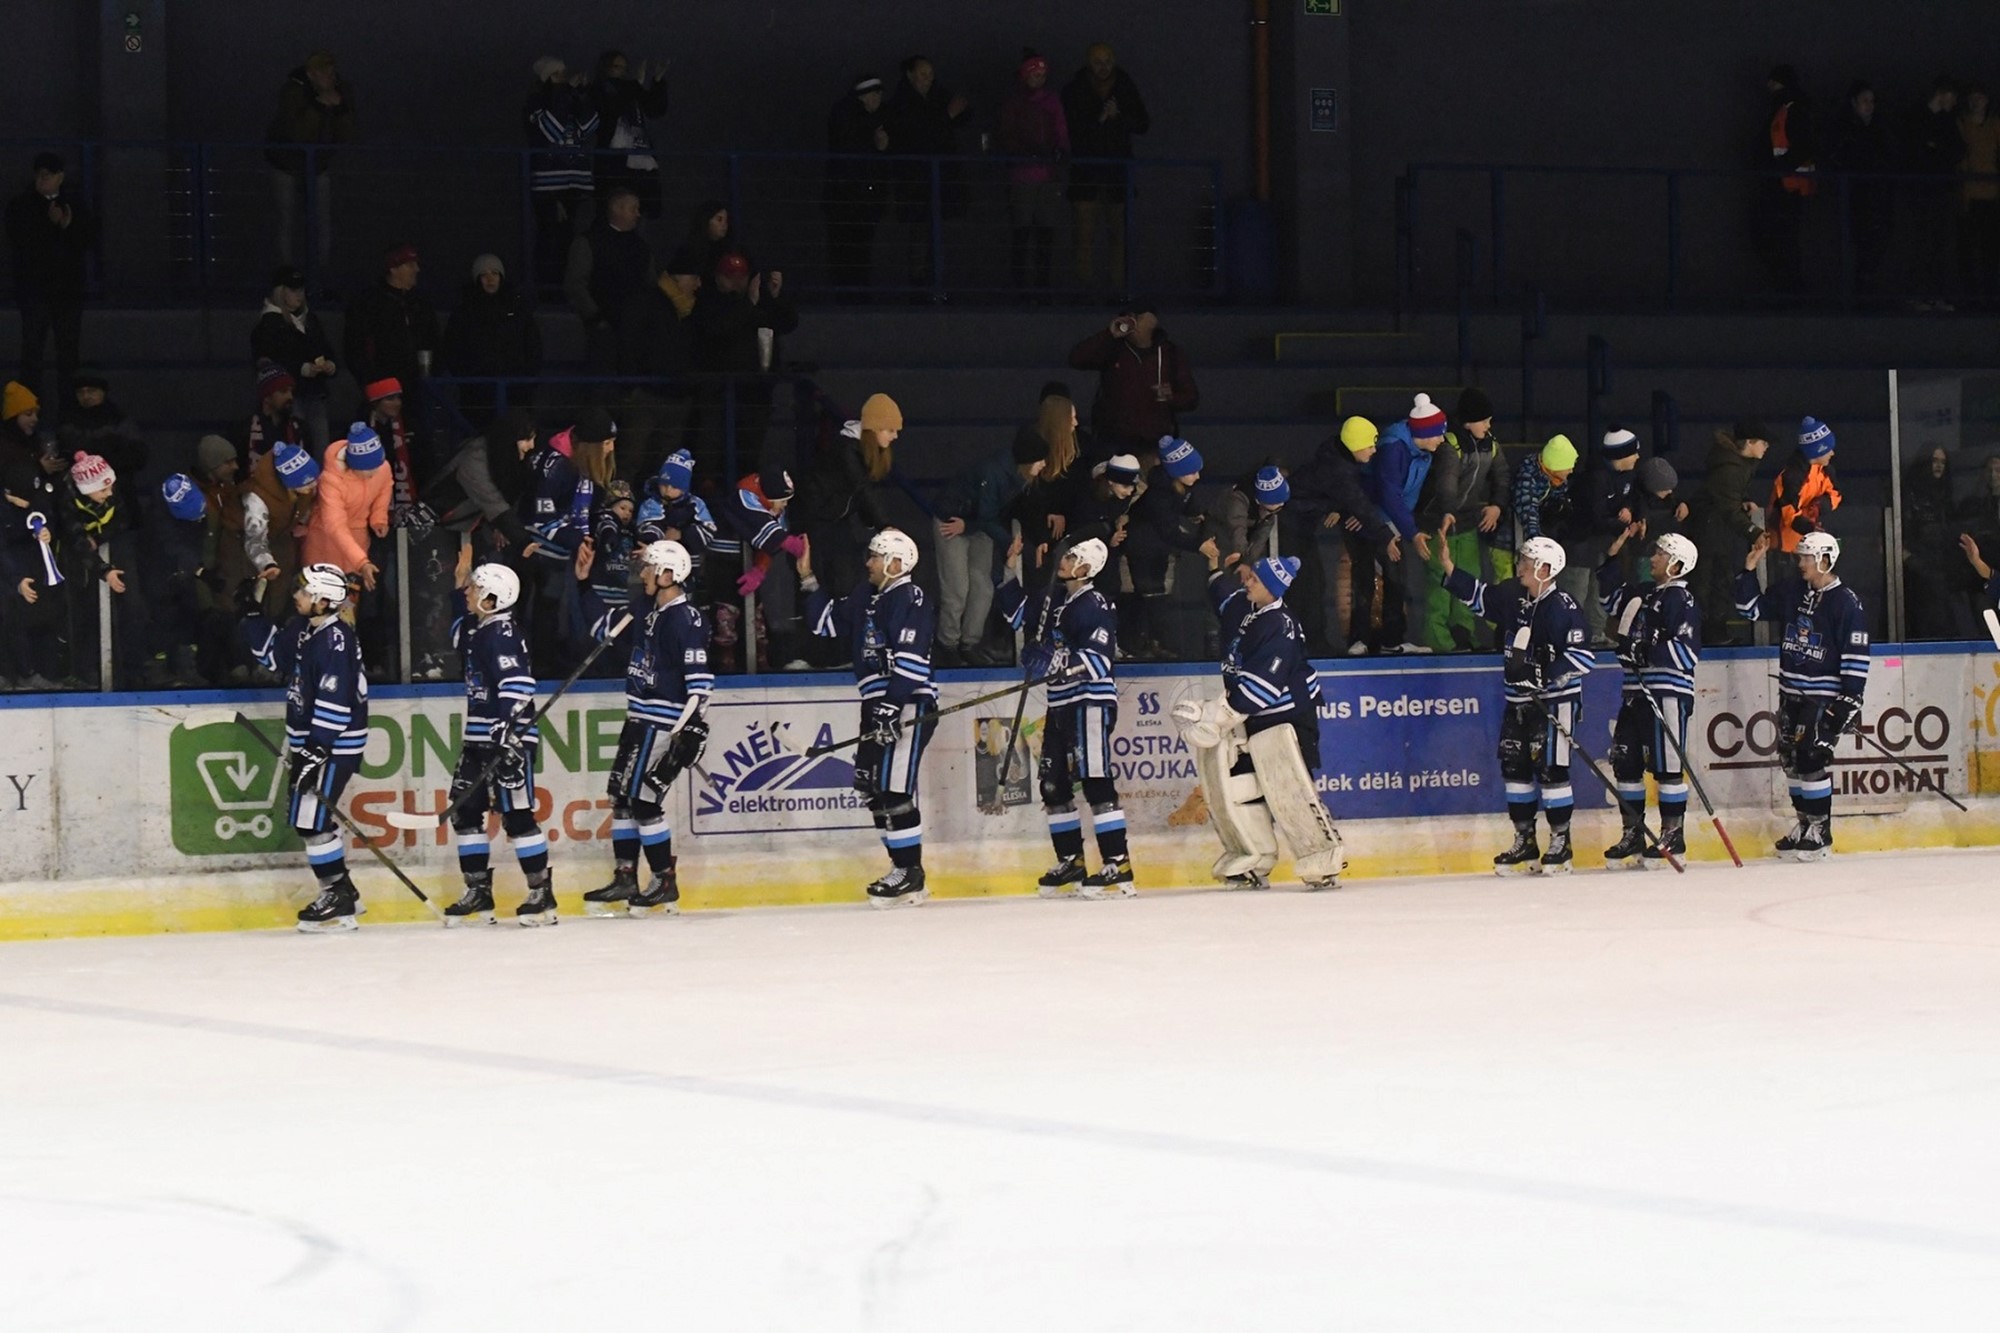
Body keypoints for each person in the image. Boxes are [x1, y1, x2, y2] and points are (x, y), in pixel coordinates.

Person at [1174, 548, 1343, 888]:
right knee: (1238, 789)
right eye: (1249, 577)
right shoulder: (1244, 606)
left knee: (1289, 786)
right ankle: (1253, 858)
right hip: (1250, 716)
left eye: (1254, 579)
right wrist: (1216, 568)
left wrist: (1216, 715)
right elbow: (1224, 596)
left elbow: (1261, 688)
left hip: (1288, 716)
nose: (1247, 582)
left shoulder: (1280, 627)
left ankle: (1322, 859)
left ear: (1273, 589)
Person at [1439, 534, 1595, 875]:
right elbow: (1481, 598)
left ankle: (1561, 841)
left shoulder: (1563, 606)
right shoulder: (1514, 595)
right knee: (1515, 771)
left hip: (1554, 703)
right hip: (1517, 701)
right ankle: (1525, 840)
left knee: (1552, 771)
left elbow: (1582, 657)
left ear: (1545, 569)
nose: (1520, 566)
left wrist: (1544, 674)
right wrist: (1450, 567)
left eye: (1527, 562)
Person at [800, 528, 937, 906]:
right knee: (872, 789)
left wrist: (892, 705)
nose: (869, 563)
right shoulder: (866, 595)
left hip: (908, 703)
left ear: (896, 563)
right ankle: (902, 867)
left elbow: (912, 661)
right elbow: (825, 623)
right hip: (876, 703)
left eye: (876, 557)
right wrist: (807, 578)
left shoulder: (911, 597)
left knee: (894, 790)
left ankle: (909, 874)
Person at [575, 537, 713, 915]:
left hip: (662, 723)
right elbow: (605, 626)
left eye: (650, 568)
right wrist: (584, 585)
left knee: (644, 802)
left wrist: (689, 730)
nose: (644, 574)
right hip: (638, 718)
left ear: (669, 574)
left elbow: (700, 685)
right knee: (622, 798)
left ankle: (664, 880)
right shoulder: (645, 609)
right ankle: (625, 877)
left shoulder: (687, 620)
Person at [995, 537, 1134, 896]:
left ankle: (1118, 864)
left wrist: (1056, 662)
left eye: (1072, 557)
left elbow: (1098, 660)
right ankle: (1071, 861)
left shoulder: (1095, 603)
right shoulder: (1055, 598)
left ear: (1086, 568)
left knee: (1095, 779)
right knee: (1053, 785)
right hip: (1059, 703)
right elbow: (1018, 614)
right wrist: (1009, 569)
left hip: (1090, 702)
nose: (1065, 560)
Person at [241, 563, 369, 930]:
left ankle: (337, 894)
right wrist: (252, 615)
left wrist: (315, 751)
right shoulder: (305, 628)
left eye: (304, 591)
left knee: (311, 820)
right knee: (309, 819)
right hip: (312, 743)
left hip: (332, 745)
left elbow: (336, 704)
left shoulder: (336, 641)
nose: (296, 596)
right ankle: (344, 893)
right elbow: (273, 657)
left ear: (324, 600)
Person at [1736, 529, 1869, 860]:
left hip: (1822, 696)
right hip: (1791, 693)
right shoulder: (1793, 590)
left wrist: (1849, 700)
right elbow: (1750, 609)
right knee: (1792, 762)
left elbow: (1856, 654)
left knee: (1811, 759)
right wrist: (1749, 570)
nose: (1801, 563)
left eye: (1807, 557)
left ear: (1825, 560)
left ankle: (1821, 832)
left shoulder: (1846, 602)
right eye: (1800, 557)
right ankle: (1805, 823)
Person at [442, 554, 556, 927]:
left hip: (508, 740)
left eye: (475, 587)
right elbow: (456, 632)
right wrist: (458, 585)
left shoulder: (501, 633)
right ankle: (478, 890)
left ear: (491, 598)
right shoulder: (480, 629)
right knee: (465, 812)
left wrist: (506, 730)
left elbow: (518, 684)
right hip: (479, 739)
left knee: (518, 816)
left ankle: (541, 893)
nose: (469, 591)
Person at [1596, 526, 1702, 868]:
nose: (1653, 558)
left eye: (1660, 554)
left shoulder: (1681, 600)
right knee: (1625, 764)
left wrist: (1643, 651)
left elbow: (1686, 653)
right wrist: (1612, 558)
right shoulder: (1644, 592)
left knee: (1668, 767)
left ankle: (1673, 833)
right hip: (1634, 693)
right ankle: (1633, 833)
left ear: (1676, 564)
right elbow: (1610, 600)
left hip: (1665, 693)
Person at [934, 429, 1044, 666]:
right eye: (1040, 460)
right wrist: (1007, 541)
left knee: (983, 587)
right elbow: (986, 513)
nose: (1044, 465)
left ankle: (969, 643)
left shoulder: (1021, 477)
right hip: (952, 523)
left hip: (977, 526)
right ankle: (947, 644)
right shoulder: (993, 472)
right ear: (1027, 460)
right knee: (957, 587)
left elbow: (995, 514)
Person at [1290, 415, 1394, 658]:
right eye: (1369, 445)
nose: (1374, 450)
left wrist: (1336, 506)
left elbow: (1343, 495)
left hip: (1302, 521)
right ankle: (1301, 644)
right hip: (1293, 523)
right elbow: (1357, 502)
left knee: (1314, 583)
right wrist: (1386, 536)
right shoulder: (1338, 470)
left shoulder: (1337, 456)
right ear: (1355, 445)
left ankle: (1312, 642)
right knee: (1306, 584)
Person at [686, 252, 796, 477]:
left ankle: (744, 487)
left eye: (741, 276)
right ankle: (709, 487)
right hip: (718, 389)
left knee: (749, 448)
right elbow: (718, 329)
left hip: (755, 390)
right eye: (730, 276)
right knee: (712, 445)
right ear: (718, 277)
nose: (736, 282)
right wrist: (749, 303)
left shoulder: (759, 299)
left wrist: (776, 297)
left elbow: (787, 323)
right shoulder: (709, 301)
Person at [1367, 393, 1455, 653]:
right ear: (1424, 434)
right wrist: (1412, 532)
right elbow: (1389, 494)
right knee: (1385, 577)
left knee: (1397, 577)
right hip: (1377, 520)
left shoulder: (1423, 450)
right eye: (1438, 434)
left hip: (1397, 519)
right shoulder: (1393, 449)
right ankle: (1379, 640)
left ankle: (1391, 640)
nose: (1442, 439)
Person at [1427, 387, 1513, 650]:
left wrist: (1496, 506)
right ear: (1468, 422)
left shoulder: (1491, 445)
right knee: (1440, 583)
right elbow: (1446, 485)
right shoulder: (1450, 446)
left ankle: (1463, 635)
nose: (1488, 425)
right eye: (1483, 420)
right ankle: (1440, 642)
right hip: (1439, 523)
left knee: (1467, 579)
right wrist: (1448, 512)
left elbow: (1502, 477)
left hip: (1467, 524)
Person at [792, 392, 901, 601]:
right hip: (815, 518)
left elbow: (861, 493)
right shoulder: (847, 450)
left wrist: (871, 521)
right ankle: (821, 617)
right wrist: (884, 524)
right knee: (822, 578)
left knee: (848, 574)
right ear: (874, 428)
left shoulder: (864, 452)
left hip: (837, 519)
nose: (895, 436)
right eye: (890, 430)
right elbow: (861, 488)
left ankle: (843, 614)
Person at [6, 152, 94, 406]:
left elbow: (87, 239)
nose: (42, 179)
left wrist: (65, 224)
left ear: (60, 177)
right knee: (32, 353)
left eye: (48, 174)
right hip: (35, 291)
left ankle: (68, 410)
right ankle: (27, 410)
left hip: (67, 291)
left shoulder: (75, 204)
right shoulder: (21, 205)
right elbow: (20, 241)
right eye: (40, 174)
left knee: (68, 353)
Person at [1061, 43, 1150, 290]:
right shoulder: (1075, 89)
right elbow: (1069, 129)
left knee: (1119, 236)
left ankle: (1118, 290)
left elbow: (1143, 124)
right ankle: (1084, 291)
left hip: (1117, 173)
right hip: (1086, 172)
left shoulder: (1124, 86)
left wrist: (1118, 116)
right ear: (1089, 63)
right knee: (1083, 236)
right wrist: (1100, 119)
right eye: (1098, 62)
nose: (1104, 67)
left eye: (1108, 61)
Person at [883, 56, 972, 291]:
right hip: (916, 180)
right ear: (910, 74)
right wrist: (948, 116)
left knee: (940, 235)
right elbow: (917, 134)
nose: (928, 79)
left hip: (942, 179)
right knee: (920, 234)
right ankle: (920, 288)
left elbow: (962, 118)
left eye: (930, 74)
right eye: (923, 74)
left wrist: (961, 110)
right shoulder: (901, 104)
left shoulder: (938, 96)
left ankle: (937, 286)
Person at [1124, 434, 1213, 659]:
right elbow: (1169, 531)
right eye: (1192, 472)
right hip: (1142, 545)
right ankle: (1138, 643)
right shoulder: (1159, 495)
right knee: (1148, 593)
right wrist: (1198, 545)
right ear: (1176, 472)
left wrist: (1196, 514)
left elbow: (1187, 502)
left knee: (1156, 592)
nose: (1198, 476)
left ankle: (1153, 642)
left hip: (1158, 546)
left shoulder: (1181, 486)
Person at [1066, 302, 1198, 453]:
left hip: (1155, 441)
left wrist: (1171, 397)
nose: (1130, 322)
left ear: (1152, 320)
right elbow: (1076, 359)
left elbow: (1191, 398)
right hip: (1114, 440)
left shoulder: (1170, 353)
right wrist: (1109, 334)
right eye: (1127, 317)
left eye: (1136, 317)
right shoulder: (1113, 348)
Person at [265, 52, 353, 276]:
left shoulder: (340, 91)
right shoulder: (293, 91)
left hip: (318, 165)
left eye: (331, 71)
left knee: (321, 221)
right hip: (286, 165)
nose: (329, 76)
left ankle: (319, 275)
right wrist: (319, 106)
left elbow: (348, 134)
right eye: (323, 71)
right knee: (285, 220)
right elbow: (298, 134)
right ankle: (286, 275)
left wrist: (339, 109)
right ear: (311, 74)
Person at [1687, 421, 1769, 645]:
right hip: (1707, 533)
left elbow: (1729, 496)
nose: (1766, 447)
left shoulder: (1737, 464)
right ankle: (1703, 632)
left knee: (1719, 581)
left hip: (1716, 532)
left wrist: (1744, 500)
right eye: (1763, 442)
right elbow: (1727, 506)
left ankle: (1713, 631)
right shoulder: (1729, 468)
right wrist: (1753, 532)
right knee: (1707, 583)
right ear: (1750, 442)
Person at [524, 57, 600, 292]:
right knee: (550, 236)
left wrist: (581, 97)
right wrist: (562, 95)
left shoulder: (569, 98)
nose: (564, 79)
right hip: (548, 182)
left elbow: (590, 127)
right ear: (545, 79)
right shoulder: (536, 102)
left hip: (573, 180)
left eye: (564, 73)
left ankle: (564, 289)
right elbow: (553, 130)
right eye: (557, 75)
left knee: (569, 236)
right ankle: (546, 289)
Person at [996, 50, 1069, 293]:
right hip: (1023, 175)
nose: (1040, 78)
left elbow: (1061, 130)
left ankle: (1041, 286)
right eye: (1035, 74)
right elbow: (1007, 134)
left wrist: (1061, 149)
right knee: (1023, 232)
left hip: (1047, 176)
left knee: (1045, 233)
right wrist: (1026, 152)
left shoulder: (1051, 100)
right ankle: (1021, 287)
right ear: (1025, 75)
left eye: (1043, 74)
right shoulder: (1014, 102)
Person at [441, 254, 544, 426]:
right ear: (477, 279)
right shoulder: (464, 311)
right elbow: (452, 349)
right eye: (484, 274)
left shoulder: (518, 308)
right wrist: (469, 381)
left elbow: (533, 345)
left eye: (494, 273)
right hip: (477, 395)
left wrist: (525, 380)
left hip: (515, 393)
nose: (490, 279)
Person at [566, 187, 658, 376]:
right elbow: (576, 285)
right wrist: (595, 317)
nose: (638, 214)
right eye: (633, 209)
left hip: (633, 325)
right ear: (618, 208)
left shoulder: (641, 247)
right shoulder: (589, 242)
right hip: (603, 327)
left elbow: (651, 283)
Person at [251, 266, 338, 454]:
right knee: (296, 446)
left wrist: (331, 364)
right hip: (289, 398)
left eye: (301, 290)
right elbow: (269, 364)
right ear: (280, 292)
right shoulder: (268, 324)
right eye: (293, 290)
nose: (299, 294)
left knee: (321, 448)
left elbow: (326, 348)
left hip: (315, 393)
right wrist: (302, 368)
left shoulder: (310, 319)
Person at [1828, 81, 1896, 302]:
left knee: (1875, 245)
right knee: (1857, 244)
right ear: (1854, 103)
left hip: (1877, 196)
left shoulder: (1880, 128)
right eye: (1864, 101)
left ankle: (1865, 291)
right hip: (1855, 196)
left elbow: (1889, 157)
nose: (1869, 106)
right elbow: (1839, 157)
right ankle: (1856, 294)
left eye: (1872, 101)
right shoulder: (1845, 128)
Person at [823, 76, 889, 298]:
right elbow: (853, 151)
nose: (879, 99)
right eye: (876, 94)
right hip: (850, 195)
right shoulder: (852, 117)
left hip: (856, 196)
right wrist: (876, 144)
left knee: (855, 248)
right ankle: (853, 294)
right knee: (851, 248)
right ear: (865, 95)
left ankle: (853, 293)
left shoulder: (850, 114)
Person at [586, 51, 672, 217]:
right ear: (606, 67)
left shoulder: (630, 88)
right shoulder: (599, 89)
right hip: (614, 161)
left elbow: (655, 110)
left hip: (641, 157)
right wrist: (636, 84)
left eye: (624, 68)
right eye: (617, 66)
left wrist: (657, 81)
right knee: (612, 209)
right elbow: (610, 107)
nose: (621, 71)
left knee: (642, 210)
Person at [242, 440, 321, 619]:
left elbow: (308, 506)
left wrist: (303, 524)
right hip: (249, 550)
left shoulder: (304, 489)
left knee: (281, 593)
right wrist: (267, 563)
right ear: (289, 483)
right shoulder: (257, 499)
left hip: (283, 539)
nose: (314, 485)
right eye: (308, 482)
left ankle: (276, 623)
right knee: (254, 598)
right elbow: (254, 539)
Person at [344, 244, 438, 392]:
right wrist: (371, 380)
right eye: (410, 265)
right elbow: (355, 347)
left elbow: (433, 341)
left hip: (418, 386)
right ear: (393, 269)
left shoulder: (420, 304)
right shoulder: (369, 303)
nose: (417, 269)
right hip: (382, 387)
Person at [1756, 64, 1816, 295]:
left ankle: (1791, 290)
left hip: (1787, 186)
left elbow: (1801, 147)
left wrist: (1778, 167)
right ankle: (1789, 289)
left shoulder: (1792, 109)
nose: (1770, 87)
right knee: (1779, 238)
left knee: (1783, 238)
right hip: (1781, 184)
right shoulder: (1784, 108)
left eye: (1775, 83)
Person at [1911, 78, 1963, 310]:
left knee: (1940, 244)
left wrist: (1935, 149)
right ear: (1942, 94)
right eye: (1953, 97)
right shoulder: (1918, 117)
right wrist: (1937, 151)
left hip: (1941, 190)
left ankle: (1936, 295)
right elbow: (1916, 152)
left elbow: (1958, 150)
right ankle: (1920, 294)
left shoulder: (1947, 120)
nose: (1955, 103)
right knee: (1923, 242)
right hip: (1923, 191)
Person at [1766, 416, 1840, 554]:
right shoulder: (1792, 476)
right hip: (1782, 546)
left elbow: (1836, 494)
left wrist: (1820, 506)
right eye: (1828, 449)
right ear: (1818, 450)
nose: (1832, 453)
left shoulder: (1825, 470)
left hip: (1809, 545)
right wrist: (1810, 528)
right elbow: (1789, 513)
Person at [1959, 87, 2000, 306]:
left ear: (1987, 100)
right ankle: (1972, 297)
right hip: (1969, 195)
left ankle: (1990, 296)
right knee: (1969, 248)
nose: (1976, 102)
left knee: (1990, 249)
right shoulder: (1963, 124)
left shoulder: (1994, 125)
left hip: (1991, 195)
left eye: (1980, 98)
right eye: (1972, 98)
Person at [1208, 463, 1287, 568]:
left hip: (1248, 523)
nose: (1281, 506)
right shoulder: (1238, 499)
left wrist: (1247, 562)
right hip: (1220, 524)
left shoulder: (1269, 508)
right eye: (1273, 507)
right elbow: (1237, 525)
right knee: (1222, 557)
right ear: (1259, 501)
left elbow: (1261, 537)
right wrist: (1239, 551)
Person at [246, 361, 304, 468]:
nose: (290, 396)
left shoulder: (300, 429)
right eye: (283, 391)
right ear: (267, 397)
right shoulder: (245, 430)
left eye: (291, 391)